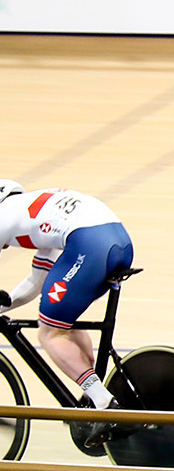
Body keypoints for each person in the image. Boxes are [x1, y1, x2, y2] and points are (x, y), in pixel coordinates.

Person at [0, 182, 137, 448]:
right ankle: (93, 397)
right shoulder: (35, 215)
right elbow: (37, 282)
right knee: (63, 319)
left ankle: (104, 403)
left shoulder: (5, 214)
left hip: (91, 246)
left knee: (49, 332)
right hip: (115, 243)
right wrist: (5, 306)